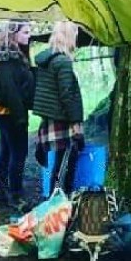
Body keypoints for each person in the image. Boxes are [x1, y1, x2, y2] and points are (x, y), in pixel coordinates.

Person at [33, 19, 85, 195]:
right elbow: (67, 94)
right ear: (69, 36)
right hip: (62, 118)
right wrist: (76, 123)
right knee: (65, 164)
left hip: (51, 117)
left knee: (59, 163)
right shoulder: (62, 61)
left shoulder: (47, 60)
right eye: (75, 35)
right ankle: (61, 201)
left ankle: (56, 199)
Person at [0, 21, 35, 206]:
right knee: (18, 153)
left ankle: (1, 192)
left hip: (9, 111)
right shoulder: (6, 58)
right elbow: (10, 91)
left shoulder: (15, 55)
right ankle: (15, 195)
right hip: (10, 112)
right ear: (13, 34)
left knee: (7, 152)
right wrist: (21, 117)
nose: (28, 36)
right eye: (25, 32)